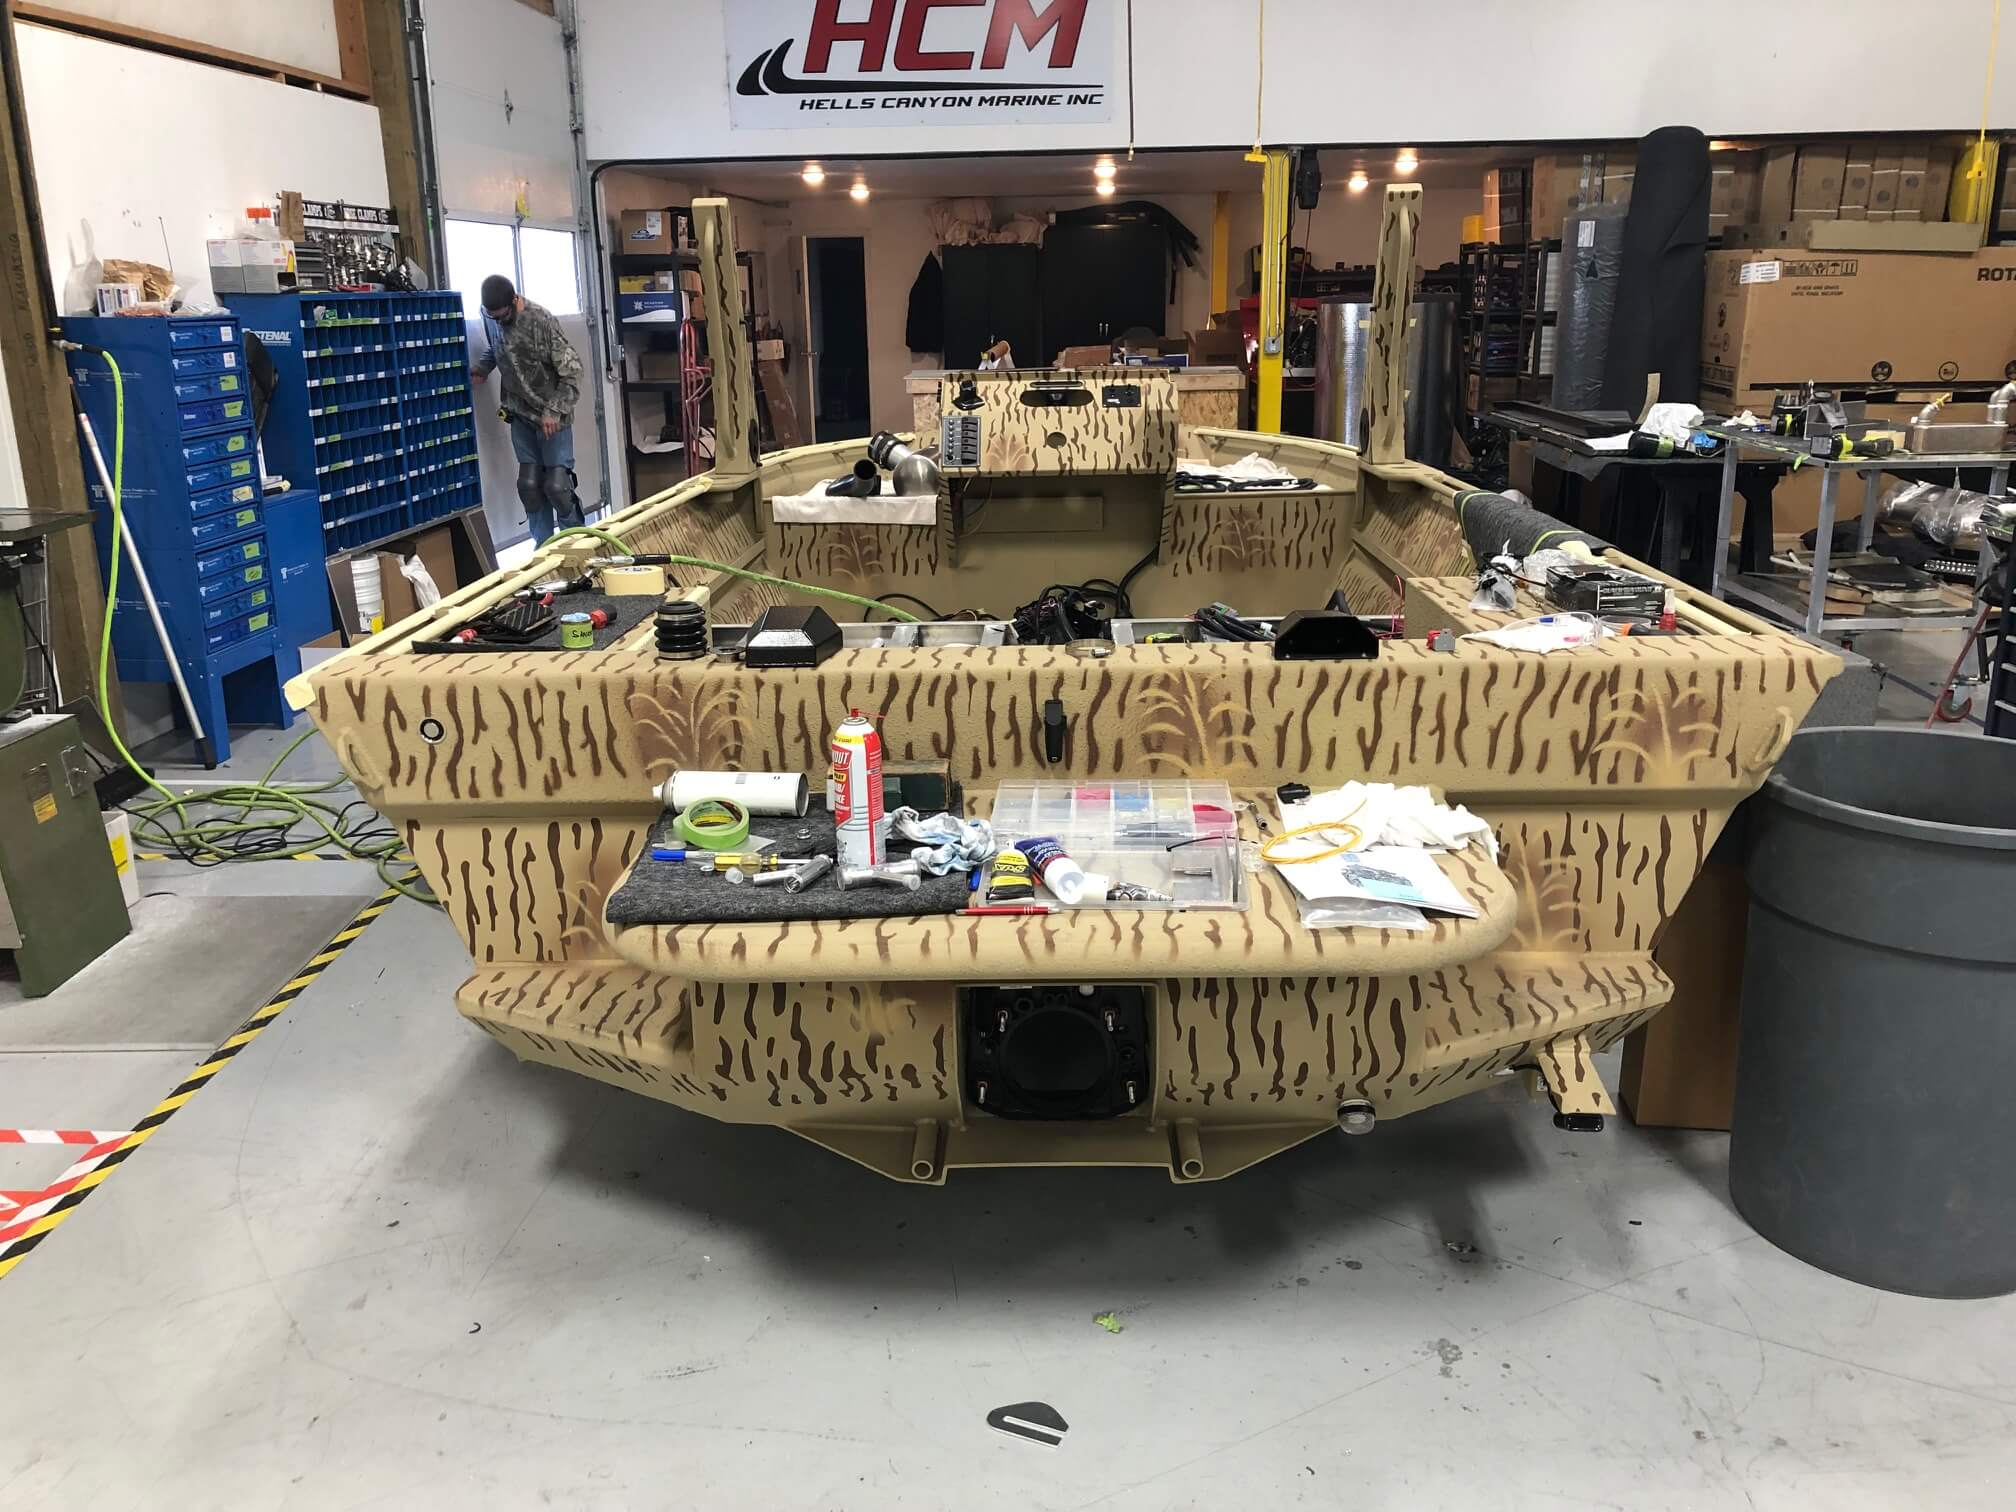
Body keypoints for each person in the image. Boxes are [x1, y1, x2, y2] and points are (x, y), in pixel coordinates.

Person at [470, 274, 586, 544]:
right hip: (520, 413)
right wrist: (484, 368)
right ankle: (542, 548)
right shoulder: (492, 317)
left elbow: (573, 371)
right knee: (529, 485)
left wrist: (554, 410)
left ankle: (576, 544)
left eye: (502, 316)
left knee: (557, 486)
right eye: (493, 317)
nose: (498, 322)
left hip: (551, 416)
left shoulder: (540, 321)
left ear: (515, 300)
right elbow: (498, 347)